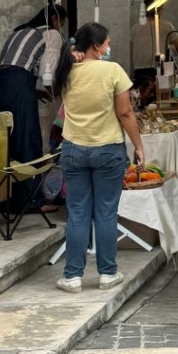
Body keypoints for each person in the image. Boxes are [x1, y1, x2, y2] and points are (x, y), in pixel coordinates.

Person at [51, 22, 145, 294]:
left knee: (78, 213)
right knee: (105, 212)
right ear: (96, 46)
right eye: (107, 43)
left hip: (74, 149)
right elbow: (125, 113)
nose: (108, 47)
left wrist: (72, 53)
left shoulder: (65, 70)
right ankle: (107, 273)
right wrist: (138, 145)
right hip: (108, 149)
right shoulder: (112, 70)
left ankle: (72, 277)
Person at [0, 0, 68, 213]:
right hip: (18, 83)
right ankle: (33, 200)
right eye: (61, 23)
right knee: (27, 139)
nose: (61, 28)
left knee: (10, 140)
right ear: (54, 19)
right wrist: (53, 90)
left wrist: (34, 91)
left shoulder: (20, 31)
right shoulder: (51, 34)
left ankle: (10, 197)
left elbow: (13, 65)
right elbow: (46, 72)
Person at [129, 0, 173, 79]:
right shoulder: (167, 26)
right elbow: (176, 45)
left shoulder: (135, 28)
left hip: (139, 68)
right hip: (160, 68)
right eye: (162, 8)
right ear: (159, 9)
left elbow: (131, 50)